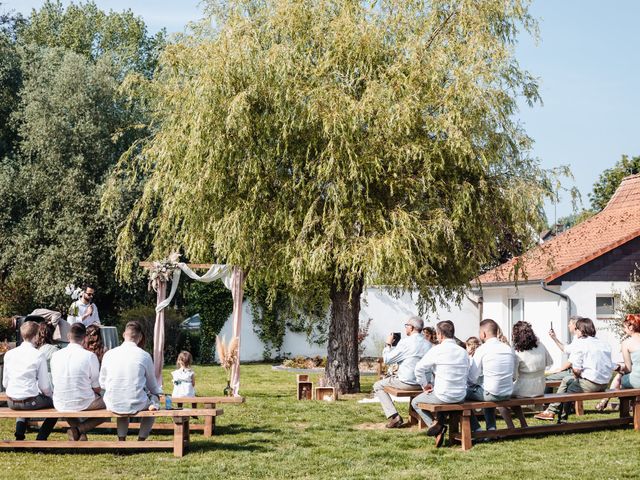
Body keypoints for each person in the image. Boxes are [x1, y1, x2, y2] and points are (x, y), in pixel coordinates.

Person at [535, 317, 615, 421]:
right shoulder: (603, 343)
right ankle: (550, 411)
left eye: (577, 329)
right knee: (566, 380)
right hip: (604, 383)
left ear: (581, 330)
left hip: (591, 383)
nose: (575, 331)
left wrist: (577, 377)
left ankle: (561, 419)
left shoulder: (581, 343)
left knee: (569, 391)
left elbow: (576, 369)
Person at [99, 321, 163, 441]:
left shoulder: (109, 354)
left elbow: (102, 383)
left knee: (122, 400)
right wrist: (157, 394)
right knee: (154, 402)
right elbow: (152, 386)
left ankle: (121, 439)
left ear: (124, 335)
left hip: (113, 402)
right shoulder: (144, 356)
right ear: (140, 337)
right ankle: (141, 439)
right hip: (136, 401)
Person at [412, 321, 469, 447]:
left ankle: (436, 426)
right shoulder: (463, 352)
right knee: (442, 401)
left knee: (415, 402)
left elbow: (418, 369)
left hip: (443, 395)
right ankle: (439, 425)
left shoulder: (437, 350)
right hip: (460, 395)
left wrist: (424, 385)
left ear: (440, 335)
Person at [372, 315, 431, 428]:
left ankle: (394, 417)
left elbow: (388, 360)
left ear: (412, 327)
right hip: (424, 384)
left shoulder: (405, 342)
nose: (405, 328)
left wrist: (388, 344)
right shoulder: (428, 344)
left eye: (407, 325)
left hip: (407, 383)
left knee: (378, 385)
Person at [2, 321, 57, 440]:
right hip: (30, 401)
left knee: (24, 396)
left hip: (11, 402)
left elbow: (5, 383)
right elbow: (44, 387)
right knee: (57, 406)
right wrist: (51, 397)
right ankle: (41, 438)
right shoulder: (38, 355)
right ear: (36, 336)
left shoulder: (9, 354)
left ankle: (19, 435)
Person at [50, 323, 106, 441]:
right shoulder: (89, 356)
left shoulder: (55, 355)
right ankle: (79, 430)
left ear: (68, 336)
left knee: (69, 404)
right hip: (83, 401)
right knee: (111, 404)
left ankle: (79, 434)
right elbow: (96, 387)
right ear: (85, 337)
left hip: (60, 401)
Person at [466, 319, 516, 432]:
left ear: (483, 333)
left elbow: (472, 377)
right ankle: (491, 428)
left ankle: (477, 429)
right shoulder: (508, 348)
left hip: (492, 393)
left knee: (460, 394)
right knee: (487, 387)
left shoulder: (482, 349)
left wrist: (469, 386)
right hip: (508, 392)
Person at [596, 314, 640, 411]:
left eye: (624, 327)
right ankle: (604, 401)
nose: (624, 330)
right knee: (621, 376)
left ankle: (622, 413)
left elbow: (628, 368)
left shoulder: (626, 343)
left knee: (620, 376)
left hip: (637, 382)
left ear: (631, 327)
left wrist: (616, 367)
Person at [512, 321, 553, 398]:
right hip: (540, 387)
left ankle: (519, 411)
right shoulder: (541, 345)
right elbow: (549, 363)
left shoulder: (517, 352)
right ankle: (539, 409)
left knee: (505, 395)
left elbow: (513, 376)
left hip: (523, 389)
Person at [544, 316, 582, 393]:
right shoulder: (577, 338)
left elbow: (571, 361)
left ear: (575, 325)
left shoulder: (579, 340)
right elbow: (565, 349)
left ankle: (547, 403)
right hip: (575, 371)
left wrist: (560, 370)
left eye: (570, 323)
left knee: (547, 380)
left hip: (575, 372)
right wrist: (554, 338)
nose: (568, 325)